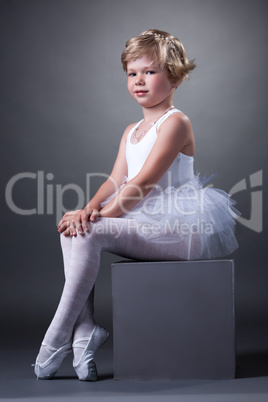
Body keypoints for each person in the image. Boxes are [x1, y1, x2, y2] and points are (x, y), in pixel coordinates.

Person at [33, 29, 239, 381]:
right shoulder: (131, 130)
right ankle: (83, 337)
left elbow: (142, 184)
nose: (139, 81)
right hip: (143, 221)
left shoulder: (175, 122)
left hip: (179, 228)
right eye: (132, 73)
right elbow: (116, 181)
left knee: (88, 230)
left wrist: (95, 217)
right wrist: (86, 210)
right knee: (75, 230)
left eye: (150, 72)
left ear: (174, 77)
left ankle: (57, 336)